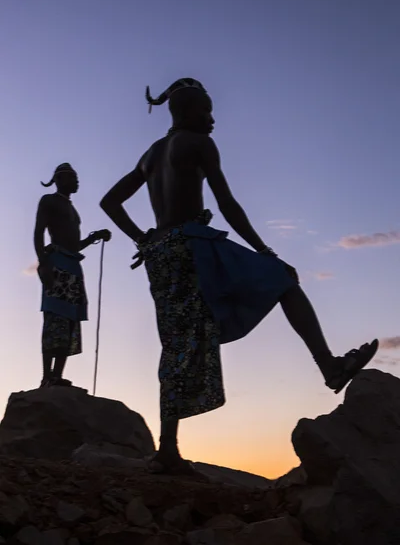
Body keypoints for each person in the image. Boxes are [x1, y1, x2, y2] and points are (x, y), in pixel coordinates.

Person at [100, 78, 378, 474]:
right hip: (193, 246)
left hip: (161, 255)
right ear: (186, 112)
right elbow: (227, 203)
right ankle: (330, 368)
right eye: (206, 110)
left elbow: (109, 201)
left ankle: (167, 451)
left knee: (176, 344)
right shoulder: (198, 144)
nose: (212, 119)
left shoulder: (152, 153)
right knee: (282, 279)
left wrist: (143, 239)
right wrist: (264, 250)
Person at [34, 163, 111, 388]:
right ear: (60, 179)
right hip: (56, 263)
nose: (77, 181)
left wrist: (94, 236)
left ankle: (57, 375)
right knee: (54, 319)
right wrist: (43, 263)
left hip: (72, 265)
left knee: (69, 321)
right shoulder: (48, 201)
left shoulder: (72, 208)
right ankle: (47, 375)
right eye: (73, 178)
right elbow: (38, 232)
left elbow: (74, 244)